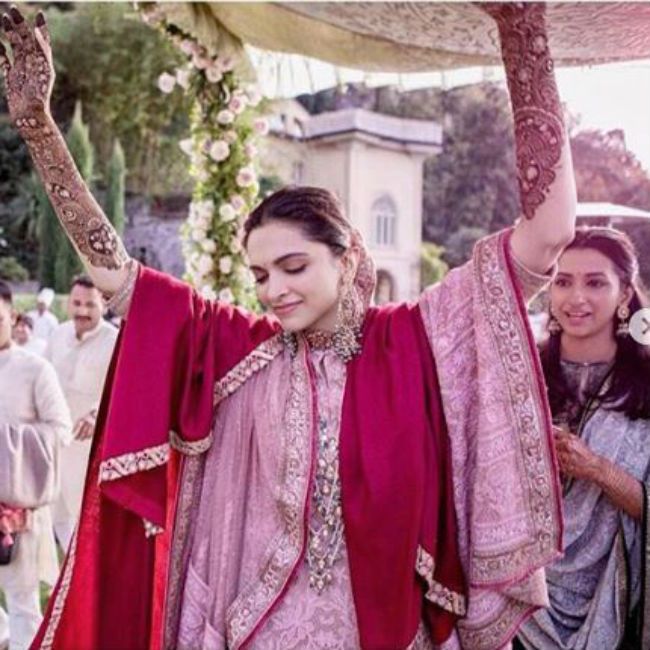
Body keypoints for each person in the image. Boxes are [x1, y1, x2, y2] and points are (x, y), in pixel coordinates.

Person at [1, 5, 576, 649]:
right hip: (259, 629)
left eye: (293, 266)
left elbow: (549, 233)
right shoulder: (247, 352)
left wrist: (521, 33)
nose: (274, 290)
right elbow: (117, 274)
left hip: (384, 628)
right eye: (260, 274)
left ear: (348, 255)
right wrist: (38, 123)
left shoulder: (417, 337)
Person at [516, 227, 650, 650]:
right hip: (520, 606)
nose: (576, 298)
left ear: (625, 293)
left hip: (615, 606)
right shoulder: (520, 376)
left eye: (595, 282)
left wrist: (597, 470)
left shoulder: (646, 386)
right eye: (562, 281)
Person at [0, 281, 71, 650]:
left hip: (17, 510)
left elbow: (61, 431)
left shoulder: (35, 369)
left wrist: (7, 440)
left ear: (12, 317)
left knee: (23, 601)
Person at [46, 275, 118, 551]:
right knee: (57, 518)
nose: (82, 311)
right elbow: (43, 381)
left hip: (90, 449)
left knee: (88, 519)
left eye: (90, 304)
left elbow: (121, 390)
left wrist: (95, 413)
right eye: (77, 303)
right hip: (54, 446)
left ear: (104, 305)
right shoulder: (58, 334)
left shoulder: (114, 340)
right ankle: (70, 580)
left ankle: (91, 581)